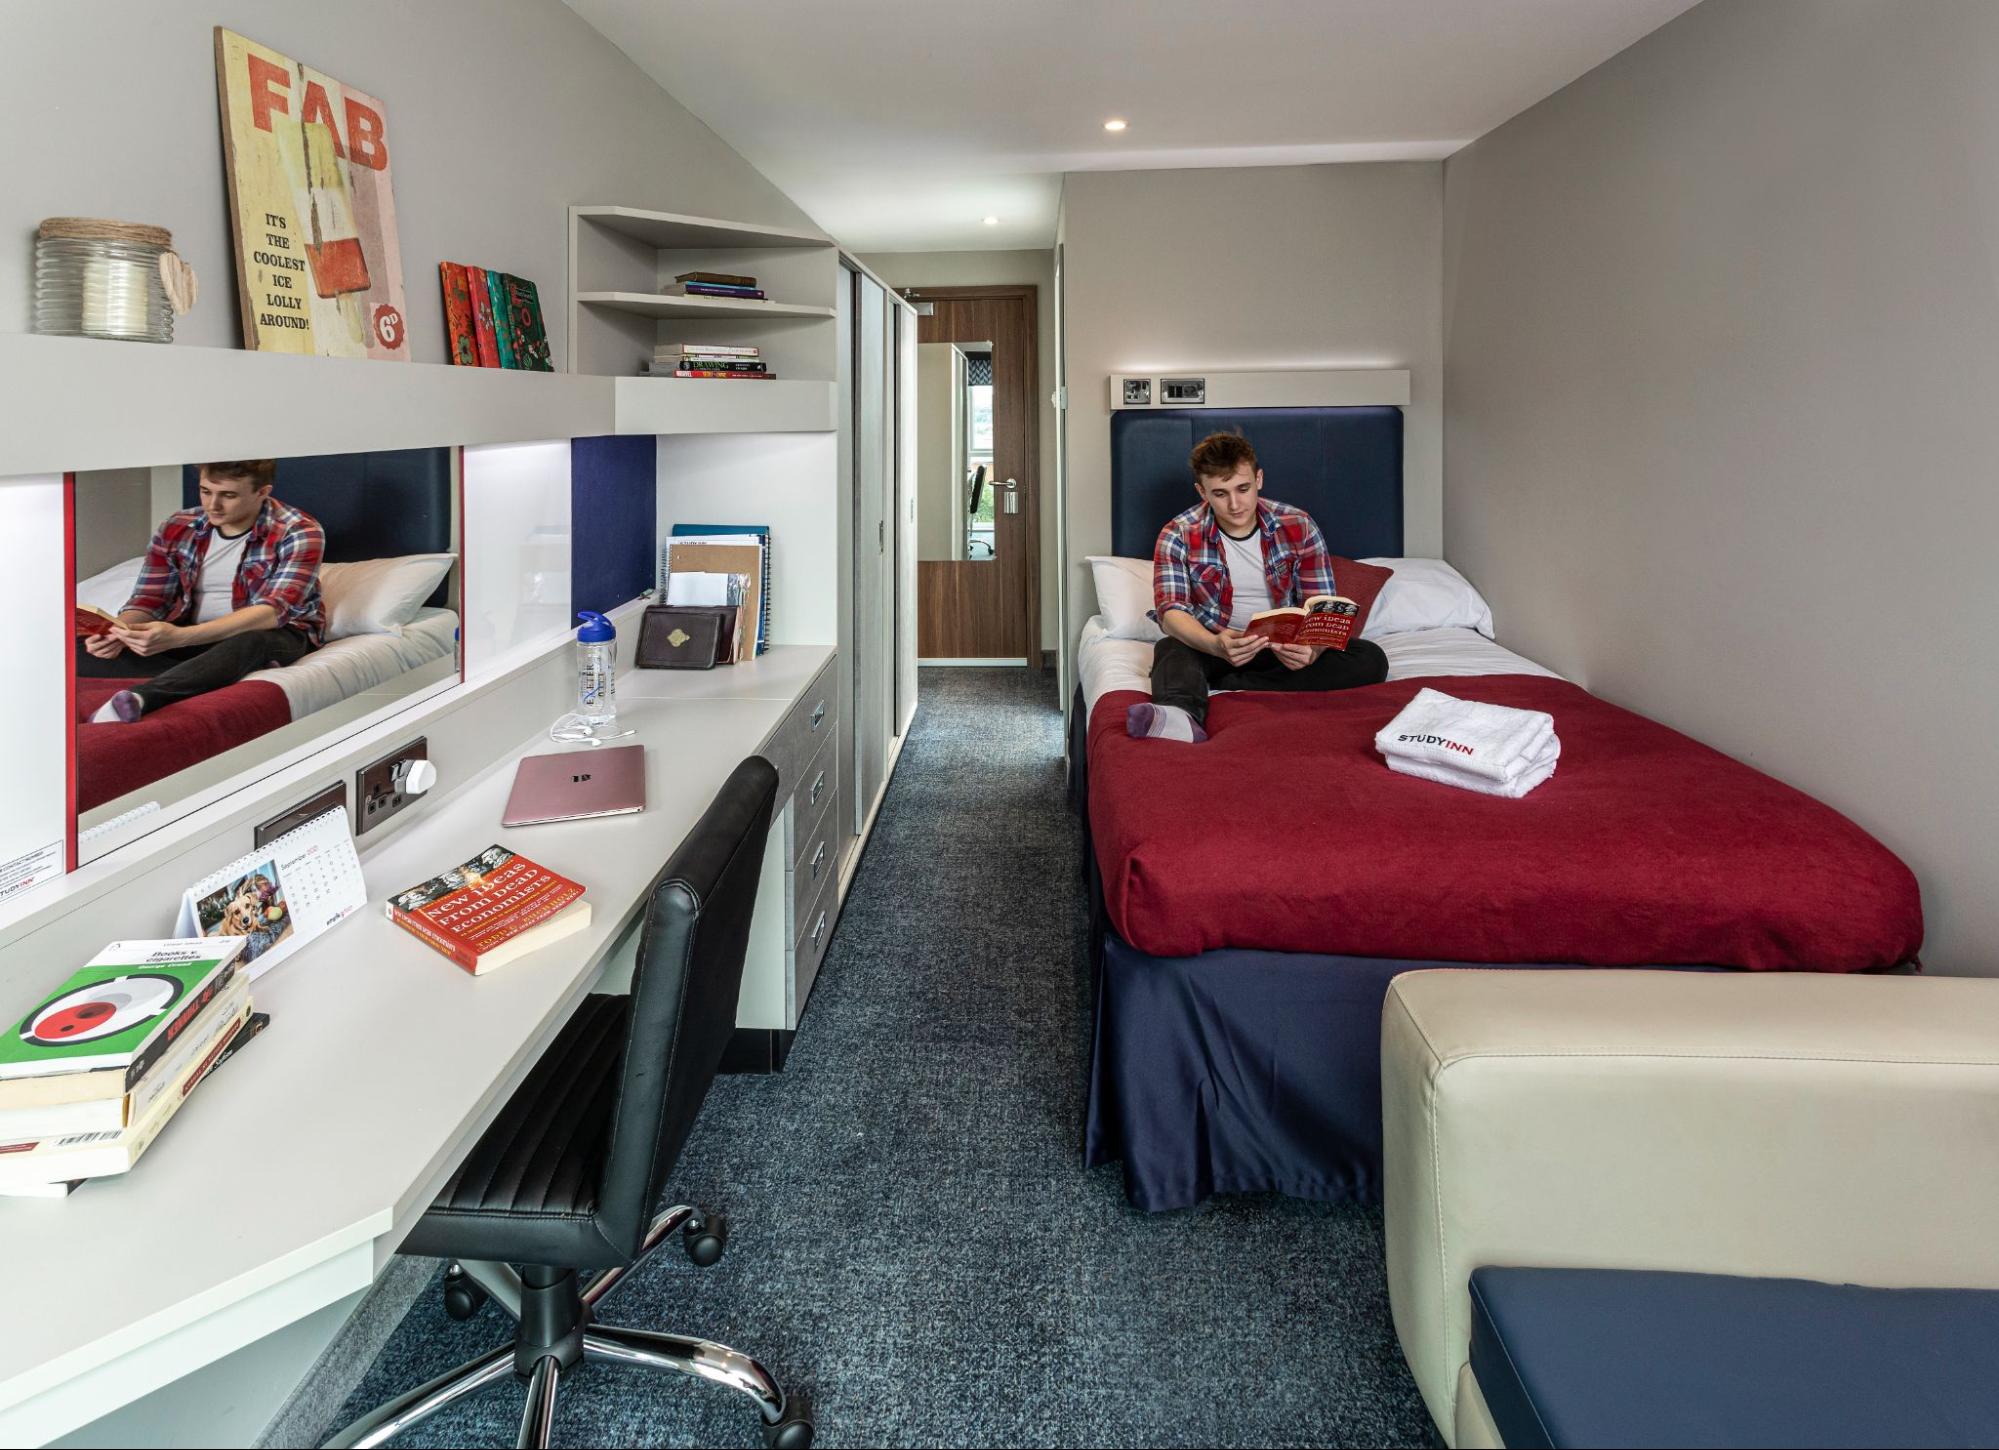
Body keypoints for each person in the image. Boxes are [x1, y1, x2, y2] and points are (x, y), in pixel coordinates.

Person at [1128, 430, 1388, 742]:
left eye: (1243, 488)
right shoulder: (1178, 534)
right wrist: (1215, 646)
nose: (1235, 504)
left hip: (1281, 648)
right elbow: (1172, 610)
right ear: (1202, 491)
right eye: (1221, 493)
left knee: (1370, 658)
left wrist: (1313, 651)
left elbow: (1320, 601)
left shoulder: (1298, 524)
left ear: (1259, 479)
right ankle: (1181, 715)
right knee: (1171, 647)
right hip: (1214, 645)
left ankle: (1231, 682)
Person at [79, 459, 325, 722]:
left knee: (252, 643)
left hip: (270, 634)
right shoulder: (178, 526)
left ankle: (144, 697)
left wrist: (180, 638)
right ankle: (211, 671)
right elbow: (151, 599)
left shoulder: (299, 531)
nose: (212, 505)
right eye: (206, 491)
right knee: (74, 648)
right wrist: (119, 632)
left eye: (228, 495)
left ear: (262, 492)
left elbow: (272, 612)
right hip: (189, 636)